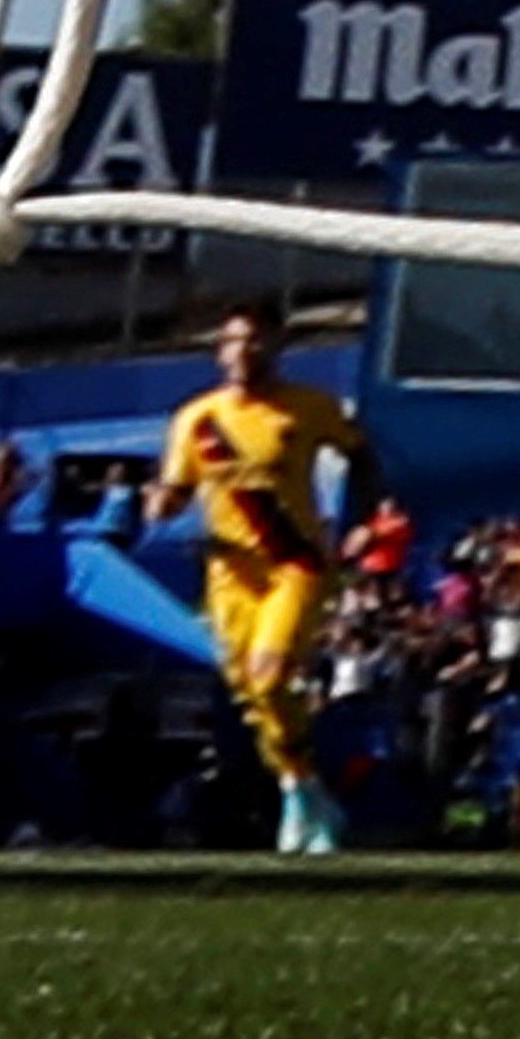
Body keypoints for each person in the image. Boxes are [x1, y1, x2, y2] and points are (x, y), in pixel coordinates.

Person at [143, 299, 372, 853]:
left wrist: (365, 522)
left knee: (269, 675)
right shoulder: (197, 419)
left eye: (256, 339)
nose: (244, 350)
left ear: (277, 347)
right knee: (253, 695)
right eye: (234, 340)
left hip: (293, 561)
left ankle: (300, 795)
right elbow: (175, 489)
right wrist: (162, 502)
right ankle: (302, 789)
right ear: (220, 352)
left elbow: (362, 457)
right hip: (229, 572)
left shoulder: (306, 409)